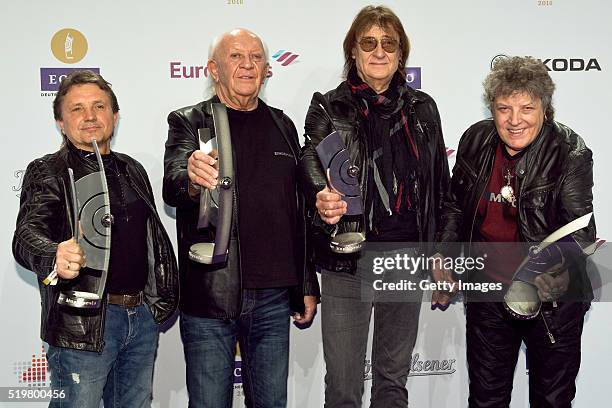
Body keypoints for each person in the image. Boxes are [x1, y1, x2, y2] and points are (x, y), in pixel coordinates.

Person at [299, 5, 450, 407]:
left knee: (391, 384)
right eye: (369, 43)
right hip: (348, 260)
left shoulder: (423, 109)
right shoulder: (329, 106)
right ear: (353, 51)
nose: (379, 51)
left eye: (389, 43)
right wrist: (321, 195)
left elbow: (441, 190)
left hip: (406, 259)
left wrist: (440, 252)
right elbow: (309, 162)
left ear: (401, 54)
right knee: (344, 387)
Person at [163, 28, 319, 408]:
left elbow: (296, 209)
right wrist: (194, 178)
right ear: (214, 70)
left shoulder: (283, 124)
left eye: (256, 58)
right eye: (236, 57)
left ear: (267, 69)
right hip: (211, 295)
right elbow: (173, 186)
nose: (247, 65)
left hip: (273, 296)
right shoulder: (189, 122)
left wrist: (305, 282)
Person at [433, 56, 595, 407]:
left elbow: (579, 230)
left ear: (545, 108)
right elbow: (455, 207)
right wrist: (445, 256)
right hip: (488, 295)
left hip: (553, 302)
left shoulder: (570, 151)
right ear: (492, 108)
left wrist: (557, 271)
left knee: (551, 401)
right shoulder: (475, 141)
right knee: (486, 400)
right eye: (504, 108)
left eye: (526, 107)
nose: (514, 120)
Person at [12, 70, 179, 408]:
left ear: (114, 117)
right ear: (61, 122)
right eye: (76, 109)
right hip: (83, 326)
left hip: (141, 318)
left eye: (99, 106)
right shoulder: (49, 170)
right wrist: (53, 253)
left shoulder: (133, 168)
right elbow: (26, 235)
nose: (89, 116)